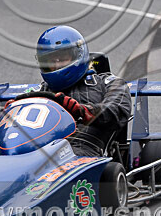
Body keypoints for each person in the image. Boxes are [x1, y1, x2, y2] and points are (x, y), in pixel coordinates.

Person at [10, 26, 132, 157]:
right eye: (51, 60)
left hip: (83, 152)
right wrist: (9, 116)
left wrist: (83, 111)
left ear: (78, 55)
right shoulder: (38, 92)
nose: (57, 65)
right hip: (38, 151)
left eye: (62, 58)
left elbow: (117, 109)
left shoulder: (109, 83)